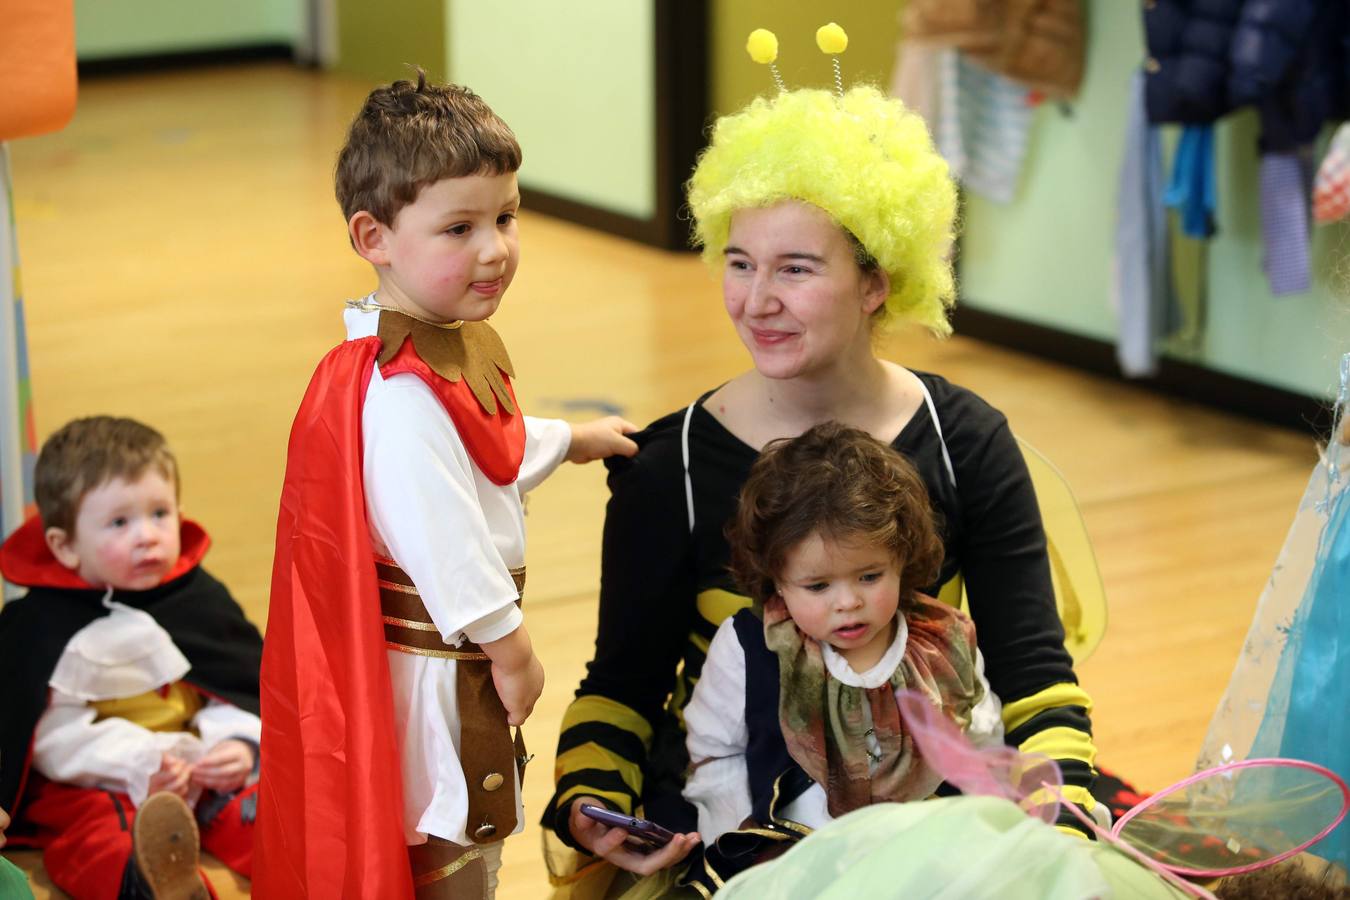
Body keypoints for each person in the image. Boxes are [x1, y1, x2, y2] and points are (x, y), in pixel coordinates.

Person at [545, 64, 1099, 893]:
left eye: (796, 269)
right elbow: (621, 686)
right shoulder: (672, 469)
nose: (755, 301)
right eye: (739, 263)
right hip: (731, 836)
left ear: (877, 283)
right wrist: (590, 798)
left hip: (932, 828)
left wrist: (1063, 815)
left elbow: (1033, 675)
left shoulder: (966, 444)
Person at [254, 71, 637, 898]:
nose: (494, 248)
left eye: (505, 217)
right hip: (443, 660)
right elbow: (443, 533)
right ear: (374, 235)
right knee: (453, 845)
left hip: (457, 649)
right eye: (458, 227)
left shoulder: (435, 349)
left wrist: (570, 440)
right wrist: (511, 644)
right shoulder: (397, 390)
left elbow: (485, 441)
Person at [676, 422, 1005, 891]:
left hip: (927, 864)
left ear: (902, 558)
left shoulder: (940, 641)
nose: (847, 602)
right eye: (818, 586)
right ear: (777, 578)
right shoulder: (751, 648)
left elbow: (982, 739)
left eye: (870, 576)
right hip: (795, 869)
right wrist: (743, 856)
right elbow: (714, 753)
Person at [0, 416, 263, 899]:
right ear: (64, 545)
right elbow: (51, 737)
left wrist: (239, 745)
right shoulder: (37, 625)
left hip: (200, 765)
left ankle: (303, 857)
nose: (148, 535)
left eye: (160, 514)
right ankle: (148, 880)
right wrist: (140, 761)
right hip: (99, 777)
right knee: (95, 831)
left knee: (267, 802)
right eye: (121, 522)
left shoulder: (197, 598)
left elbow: (242, 685)